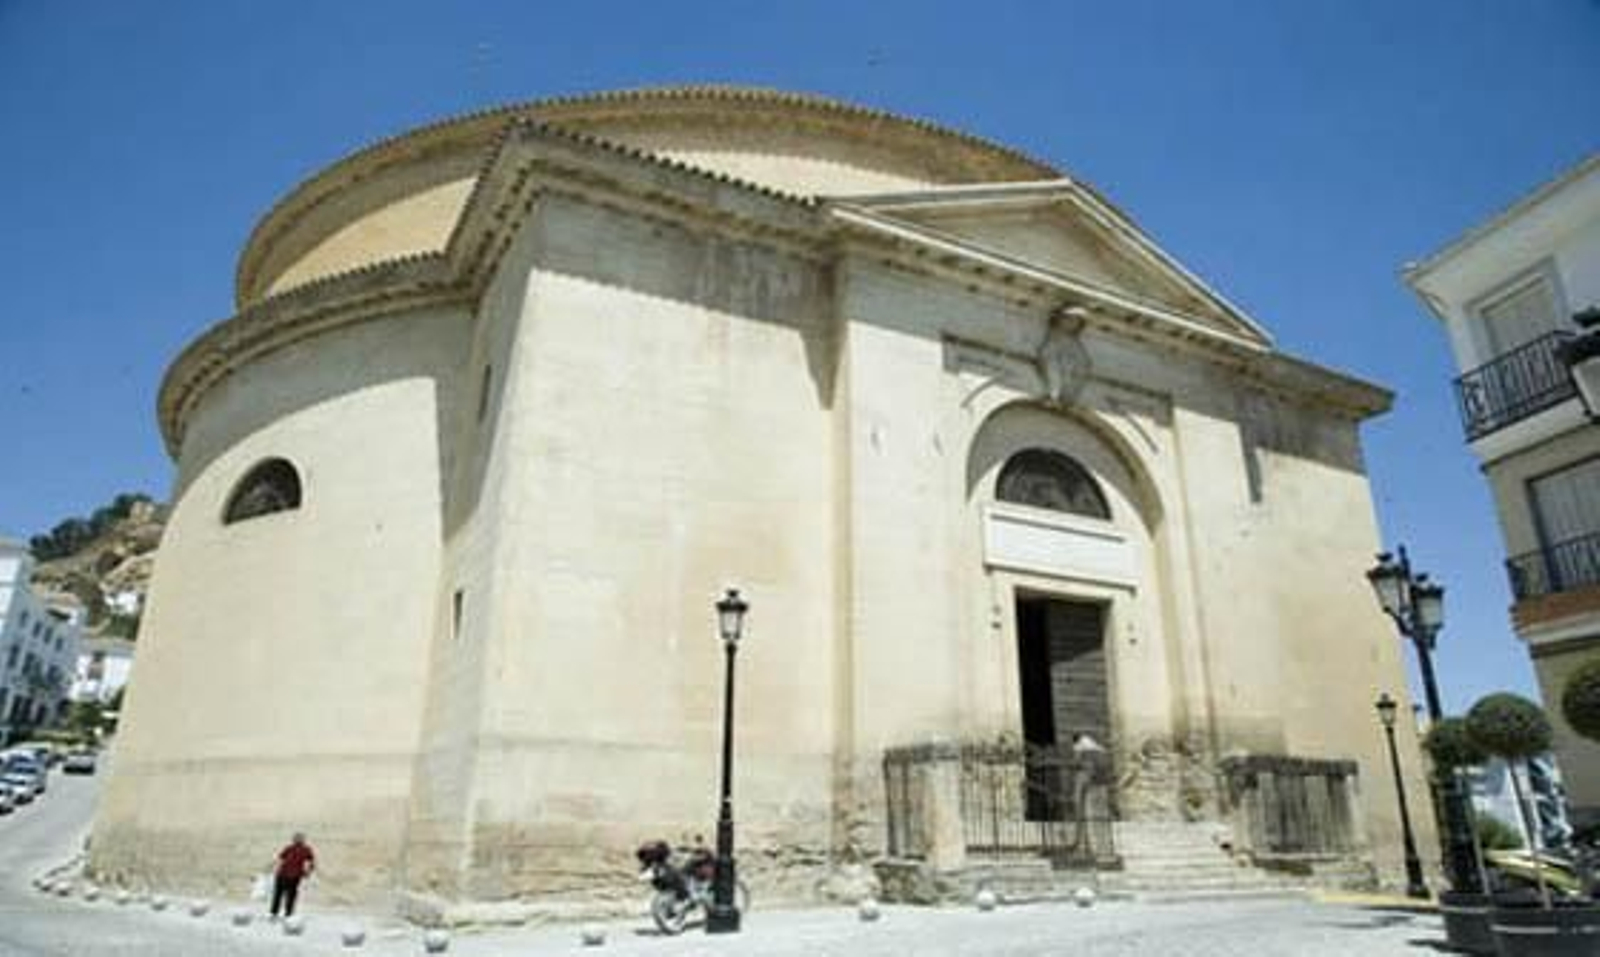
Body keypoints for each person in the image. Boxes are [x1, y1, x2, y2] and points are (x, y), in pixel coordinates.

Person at [269, 832, 315, 919]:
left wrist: (308, 872)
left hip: (294, 876)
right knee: (279, 894)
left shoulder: (306, 849)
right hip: (282, 874)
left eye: (299, 838)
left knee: (290, 896)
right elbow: (280, 858)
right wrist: (272, 867)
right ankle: (274, 913)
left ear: (303, 840)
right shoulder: (289, 848)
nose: (297, 840)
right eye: (296, 838)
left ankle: (288, 914)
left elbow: (311, 862)